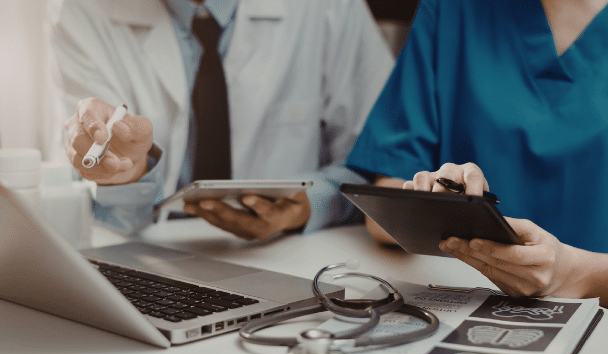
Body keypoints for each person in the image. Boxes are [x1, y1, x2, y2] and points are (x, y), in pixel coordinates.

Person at [345, 0, 608, 334]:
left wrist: (575, 274)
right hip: (461, 315)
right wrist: (435, 204)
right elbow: (387, 197)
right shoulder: (454, 9)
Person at [49, 0, 394, 236]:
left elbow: (379, 165)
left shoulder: (329, 8)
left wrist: (309, 204)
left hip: (289, 256)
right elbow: (100, 200)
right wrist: (125, 172)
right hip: (153, 254)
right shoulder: (85, 12)